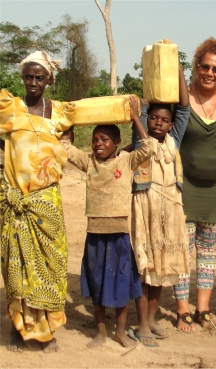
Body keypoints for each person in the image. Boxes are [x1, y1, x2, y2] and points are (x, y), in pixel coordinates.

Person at [60, 96, 152, 348]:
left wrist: (135, 117)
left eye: (105, 139)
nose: (98, 143)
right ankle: (100, 331)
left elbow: (148, 148)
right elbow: (66, 147)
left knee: (121, 282)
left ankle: (119, 331)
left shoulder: (126, 160)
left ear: (117, 142)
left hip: (119, 235)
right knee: (98, 282)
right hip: (95, 234)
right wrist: (70, 120)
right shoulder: (88, 162)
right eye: (95, 139)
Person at [0, 51, 74, 353]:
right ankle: (19, 330)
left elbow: (65, 149)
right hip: (16, 200)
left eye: (39, 77)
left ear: (49, 80)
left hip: (47, 202)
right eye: (28, 76)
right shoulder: (10, 109)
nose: (33, 82)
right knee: (17, 268)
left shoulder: (59, 113)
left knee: (50, 265)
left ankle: (46, 331)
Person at [177, 37, 216, 329]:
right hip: (184, 186)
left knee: (208, 251)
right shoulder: (181, 97)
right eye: (205, 66)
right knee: (183, 249)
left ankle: (202, 309)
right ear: (196, 66)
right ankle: (182, 309)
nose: (210, 74)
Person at [129, 64, 191, 344]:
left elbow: (186, 108)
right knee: (146, 268)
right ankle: (141, 323)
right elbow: (143, 129)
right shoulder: (140, 140)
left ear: (170, 125)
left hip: (171, 209)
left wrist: (177, 68)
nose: (157, 123)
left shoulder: (174, 141)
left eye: (164, 120)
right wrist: (153, 74)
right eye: (153, 118)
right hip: (146, 207)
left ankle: (152, 319)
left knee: (162, 269)